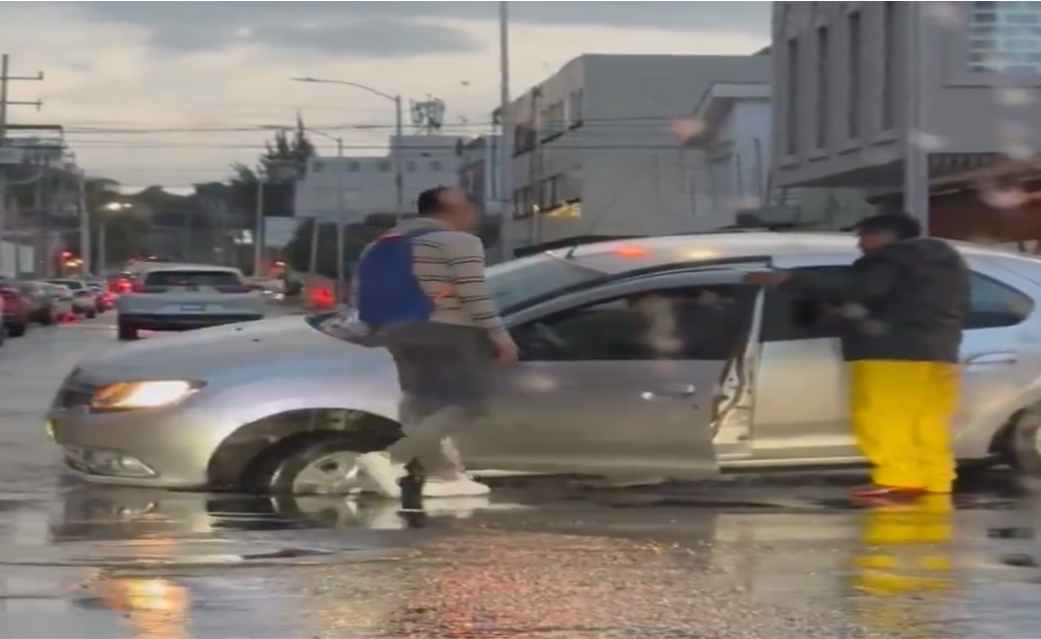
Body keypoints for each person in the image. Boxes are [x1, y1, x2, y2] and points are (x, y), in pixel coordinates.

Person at [745, 213, 969, 500]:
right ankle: (937, 478)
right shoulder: (947, 263)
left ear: (883, 235)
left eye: (862, 236)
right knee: (930, 421)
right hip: (941, 352)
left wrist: (788, 280)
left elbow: (856, 288)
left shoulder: (890, 259)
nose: (859, 244)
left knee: (884, 418)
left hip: (890, 353)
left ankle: (898, 477)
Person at [351, 186, 519, 499]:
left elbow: (361, 292)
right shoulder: (457, 241)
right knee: (469, 404)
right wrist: (499, 335)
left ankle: (444, 475)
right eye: (470, 203)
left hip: (395, 332)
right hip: (446, 330)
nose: (474, 210)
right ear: (451, 209)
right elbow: (473, 292)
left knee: (423, 403)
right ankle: (390, 459)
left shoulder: (382, 243)